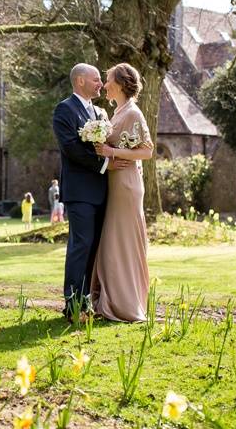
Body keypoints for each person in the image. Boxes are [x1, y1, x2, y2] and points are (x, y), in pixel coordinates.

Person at [52, 63, 132, 323]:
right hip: (79, 192)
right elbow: (72, 149)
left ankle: (87, 301)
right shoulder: (64, 110)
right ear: (80, 82)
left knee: (94, 247)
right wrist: (106, 164)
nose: (101, 84)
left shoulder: (100, 112)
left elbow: (107, 143)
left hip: (101, 191)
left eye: (101, 80)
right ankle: (72, 304)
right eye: (96, 79)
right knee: (81, 245)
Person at [90, 63, 153, 322]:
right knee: (112, 242)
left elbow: (147, 151)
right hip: (115, 183)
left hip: (126, 185)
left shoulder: (133, 113)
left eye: (108, 80)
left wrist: (111, 151)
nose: (104, 85)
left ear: (121, 84)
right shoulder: (117, 113)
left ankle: (125, 304)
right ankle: (110, 296)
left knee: (122, 241)